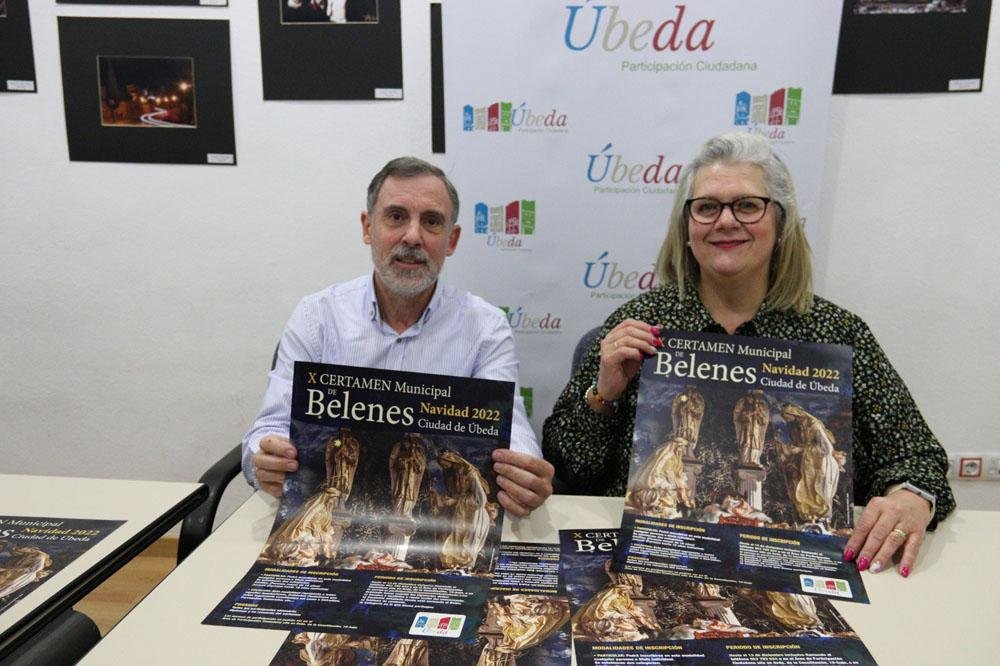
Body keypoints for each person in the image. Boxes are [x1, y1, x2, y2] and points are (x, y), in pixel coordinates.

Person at [542, 133, 954, 577]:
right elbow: (571, 471)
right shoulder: (641, 325)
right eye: (707, 207)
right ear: (686, 227)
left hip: (790, 565)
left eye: (747, 205)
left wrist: (911, 496)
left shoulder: (835, 333)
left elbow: (916, 456)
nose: (725, 221)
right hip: (656, 560)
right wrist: (604, 395)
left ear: (781, 223)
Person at [243, 157, 554, 517]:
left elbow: (509, 430)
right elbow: (269, 427)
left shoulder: (485, 326)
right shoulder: (318, 316)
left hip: (436, 524)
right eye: (396, 216)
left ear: (451, 240)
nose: (412, 236)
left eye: (432, 222)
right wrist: (263, 459)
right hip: (333, 519)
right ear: (367, 228)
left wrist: (523, 469)